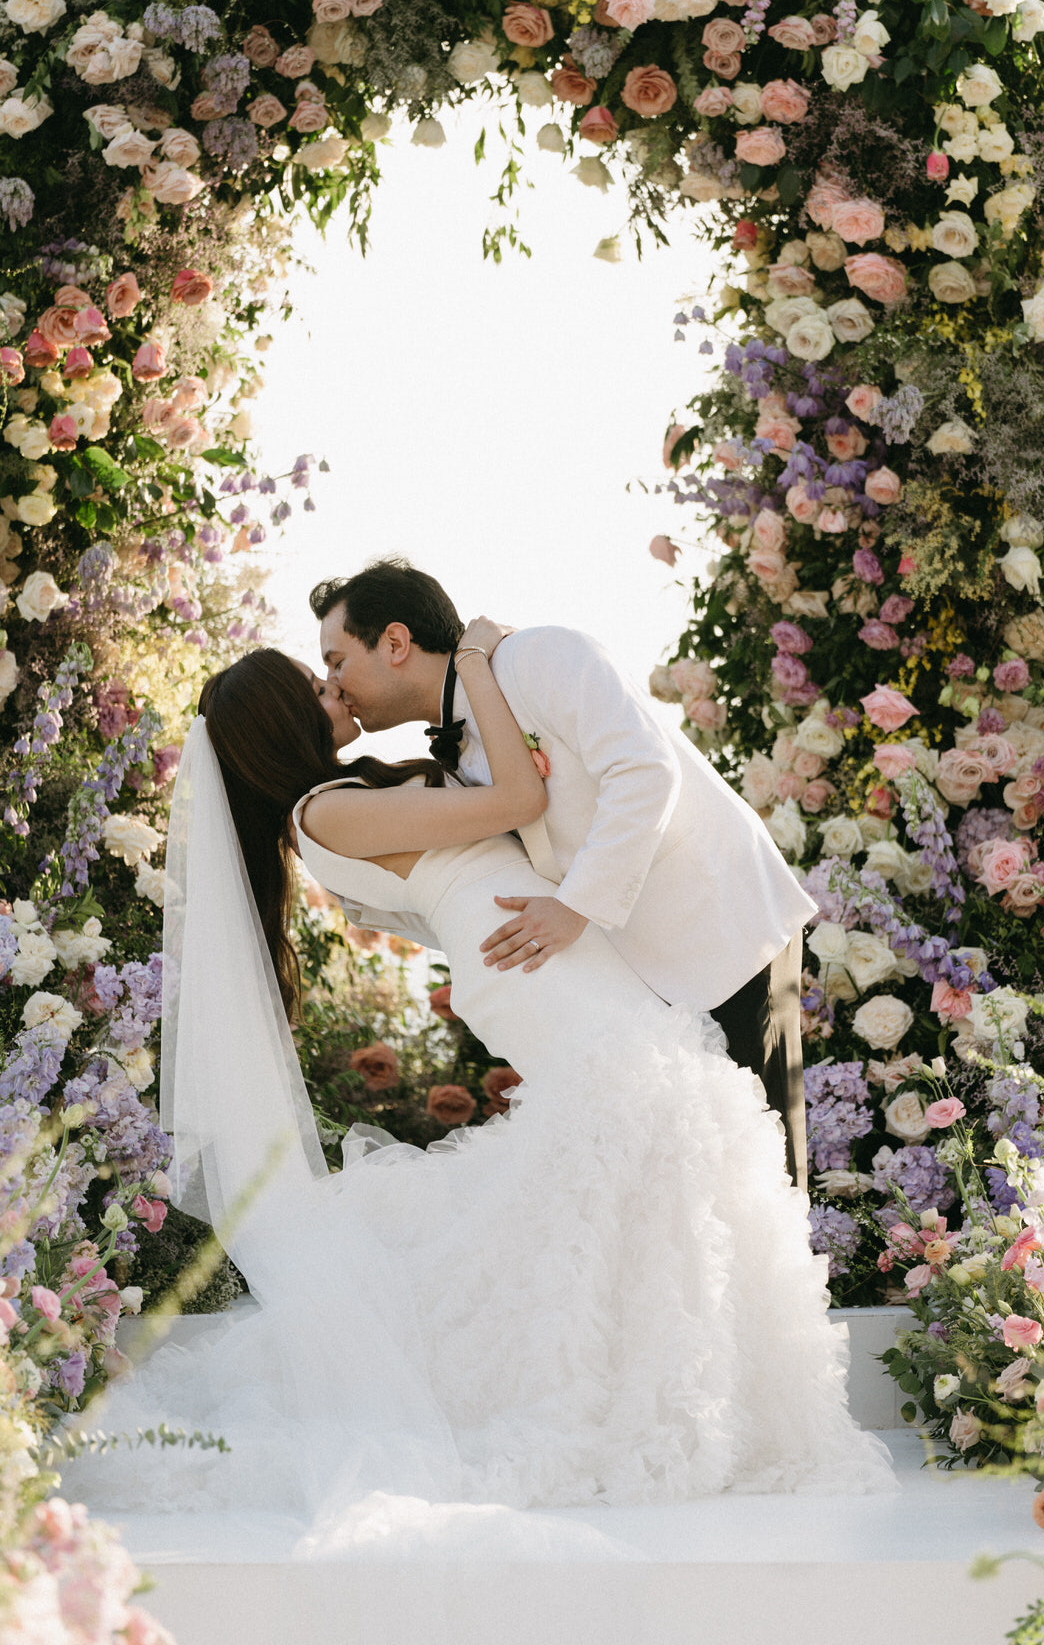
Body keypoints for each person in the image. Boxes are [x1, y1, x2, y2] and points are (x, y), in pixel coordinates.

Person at [62, 632, 891, 1533]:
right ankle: (622, 1401)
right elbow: (520, 796)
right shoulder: (322, 814)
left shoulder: (346, 801)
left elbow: (512, 810)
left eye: (330, 668)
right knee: (647, 1122)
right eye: (314, 681)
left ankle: (699, 1395)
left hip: (544, 957)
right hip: (534, 973)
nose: (332, 683)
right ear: (281, 719)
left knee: (655, 1140)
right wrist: (480, 671)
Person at [311, 560, 816, 1182]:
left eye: (336, 661)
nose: (335, 681)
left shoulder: (538, 656)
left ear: (393, 642)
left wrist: (577, 905)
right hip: (637, 979)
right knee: (706, 1174)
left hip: (721, 931)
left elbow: (644, 770)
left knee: (766, 1172)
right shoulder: (457, 746)